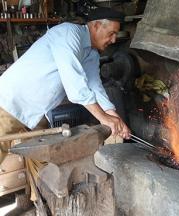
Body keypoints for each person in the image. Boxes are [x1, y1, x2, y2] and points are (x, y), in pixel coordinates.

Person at [0, 7, 131, 162]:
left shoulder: (91, 53)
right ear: (96, 26)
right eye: (112, 33)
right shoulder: (69, 34)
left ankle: (41, 184)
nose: (114, 40)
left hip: (37, 111)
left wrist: (113, 116)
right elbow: (75, 86)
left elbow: (94, 86)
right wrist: (103, 117)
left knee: (45, 159)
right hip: (11, 103)